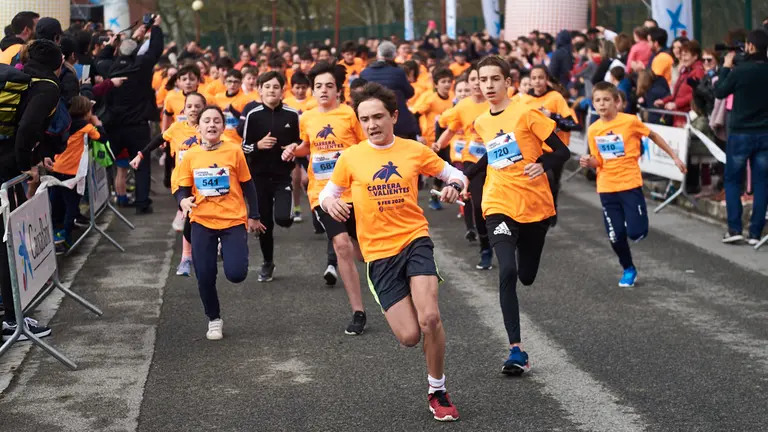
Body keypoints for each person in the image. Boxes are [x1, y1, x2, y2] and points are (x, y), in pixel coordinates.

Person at [319, 82, 465, 422]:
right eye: (365, 119)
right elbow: (328, 191)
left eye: (379, 117)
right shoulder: (352, 157)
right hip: (378, 255)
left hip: (414, 239)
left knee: (430, 318)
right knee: (410, 336)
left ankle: (437, 390)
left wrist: (455, 186)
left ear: (394, 116)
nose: (372, 125)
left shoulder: (412, 150)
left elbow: (453, 173)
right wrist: (331, 203)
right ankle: (410, 305)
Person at [468, 56, 570, 375]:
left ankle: (517, 348)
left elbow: (562, 151)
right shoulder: (482, 121)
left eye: (494, 80)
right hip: (498, 202)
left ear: (508, 82)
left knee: (526, 274)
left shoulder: (527, 113)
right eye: (483, 80)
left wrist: (543, 164)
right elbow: (493, 153)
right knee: (507, 270)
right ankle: (516, 350)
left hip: (534, 205)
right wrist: (465, 174)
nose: (488, 86)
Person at [281, 62, 368, 335]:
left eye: (328, 86)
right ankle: (358, 311)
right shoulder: (306, 117)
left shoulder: (350, 114)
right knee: (341, 245)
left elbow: (366, 145)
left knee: (364, 253)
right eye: (318, 86)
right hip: (322, 192)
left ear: (337, 90)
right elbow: (309, 145)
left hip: (355, 190)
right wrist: (293, 150)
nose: (323, 90)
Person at [580, 82, 686, 285]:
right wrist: (589, 161)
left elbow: (653, 136)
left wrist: (675, 157)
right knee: (615, 235)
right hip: (607, 187)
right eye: (598, 100)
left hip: (629, 184)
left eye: (606, 100)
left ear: (616, 102)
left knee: (636, 232)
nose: (602, 105)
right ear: (593, 103)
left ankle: (635, 221)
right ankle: (628, 268)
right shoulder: (594, 130)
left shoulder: (630, 122)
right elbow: (598, 160)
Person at [176, 106, 266, 340]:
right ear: (199, 127)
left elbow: (248, 185)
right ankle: (214, 319)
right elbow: (182, 188)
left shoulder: (234, 151)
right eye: (207, 121)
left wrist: (254, 215)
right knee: (204, 275)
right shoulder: (192, 155)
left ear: (223, 127)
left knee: (236, 274)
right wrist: (183, 201)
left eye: (217, 121)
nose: (212, 125)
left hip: (232, 220)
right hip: (202, 221)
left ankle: (228, 249)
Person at [0, 39, 64, 341]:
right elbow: (27, 128)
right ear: (60, 62)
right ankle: (12, 320)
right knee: (5, 241)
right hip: (4, 164)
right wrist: (26, 165)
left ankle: (10, 314)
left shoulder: (21, 74)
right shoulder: (47, 86)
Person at [131, 92, 208, 276]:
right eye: (189, 106)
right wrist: (141, 155)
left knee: (201, 219)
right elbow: (158, 140)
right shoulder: (176, 128)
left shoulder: (208, 128)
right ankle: (185, 258)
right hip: (181, 182)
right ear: (184, 109)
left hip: (203, 181)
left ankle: (197, 253)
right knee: (191, 217)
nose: (193, 110)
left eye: (198, 106)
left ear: (204, 108)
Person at [238, 71, 299, 282]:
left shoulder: (292, 114)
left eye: (276, 87)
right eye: (267, 87)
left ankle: (288, 213)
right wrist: (258, 146)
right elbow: (243, 147)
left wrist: (293, 148)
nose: (271, 90)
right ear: (260, 90)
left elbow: (300, 143)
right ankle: (267, 262)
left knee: (283, 219)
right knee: (265, 224)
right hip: (259, 177)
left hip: (282, 176)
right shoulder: (253, 115)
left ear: (283, 91)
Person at [433, 66, 492, 268]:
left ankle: (504, 238)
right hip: (472, 160)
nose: (476, 83)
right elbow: (451, 130)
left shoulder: (496, 103)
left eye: (480, 79)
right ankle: (485, 248)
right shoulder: (463, 106)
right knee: (477, 203)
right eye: (473, 79)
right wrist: (438, 145)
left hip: (497, 161)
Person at [713, 29, 768, 245]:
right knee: (762, 182)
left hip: (740, 133)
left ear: (751, 47)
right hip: (765, 133)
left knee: (733, 180)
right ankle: (755, 233)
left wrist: (726, 67)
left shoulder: (741, 71)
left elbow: (719, 92)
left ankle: (734, 228)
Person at [105, 14, 164, 214]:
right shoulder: (141, 66)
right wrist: (154, 28)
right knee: (142, 165)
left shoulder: (108, 67)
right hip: (138, 126)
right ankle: (141, 203)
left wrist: (118, 43)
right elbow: (155, 49)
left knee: (111, 166)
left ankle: (110, 199)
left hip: (114, 125)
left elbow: (101, 58)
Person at [50, 96, 105, 254]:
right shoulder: (86, 127)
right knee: (71, 206)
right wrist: (98, 123)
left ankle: (56, 235)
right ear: (87, 112)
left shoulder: (63, 123)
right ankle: (66, 238)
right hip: (72, 173)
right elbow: (100, 137)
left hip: (56, 167)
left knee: (57, 205)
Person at [525, 65, 579, 226]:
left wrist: (552, 116)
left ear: (546, 79)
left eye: (540, 78)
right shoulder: (524, 99)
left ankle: (551, 207)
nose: (537, 81)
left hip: (554, 149)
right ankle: (535, 213)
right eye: (533, 78)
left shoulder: (555, 97)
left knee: (552, 182)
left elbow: (571, 123)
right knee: (535, 180)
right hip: (533, 149)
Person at [411, 67, 455, 210]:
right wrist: (418, 135)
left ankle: (434, 197)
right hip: (429, 139)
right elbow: (415, 114)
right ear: (436, 84)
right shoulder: (430, 98)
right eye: (443, 81)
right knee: (424, 169)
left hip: (445, 140)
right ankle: (411, 198)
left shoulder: (453, 98)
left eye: (449, 81)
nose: (447, 84)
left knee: (443, 167)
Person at [360, 41, 419, 140]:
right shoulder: (398, 72)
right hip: (398, 123)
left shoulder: (365, 73)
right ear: (394, 54)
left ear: (378, 54)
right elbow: (410, 92)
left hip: (372, 123)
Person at [214, 69, 247, 142]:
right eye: (229, 81)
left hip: (237, 140)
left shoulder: (246, 99)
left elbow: (247, 121)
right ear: (225, 82)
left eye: (236, 82)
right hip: (219, 138)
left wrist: (233, 110)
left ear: (241, 83)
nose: (232, 84)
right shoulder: (217, 97)